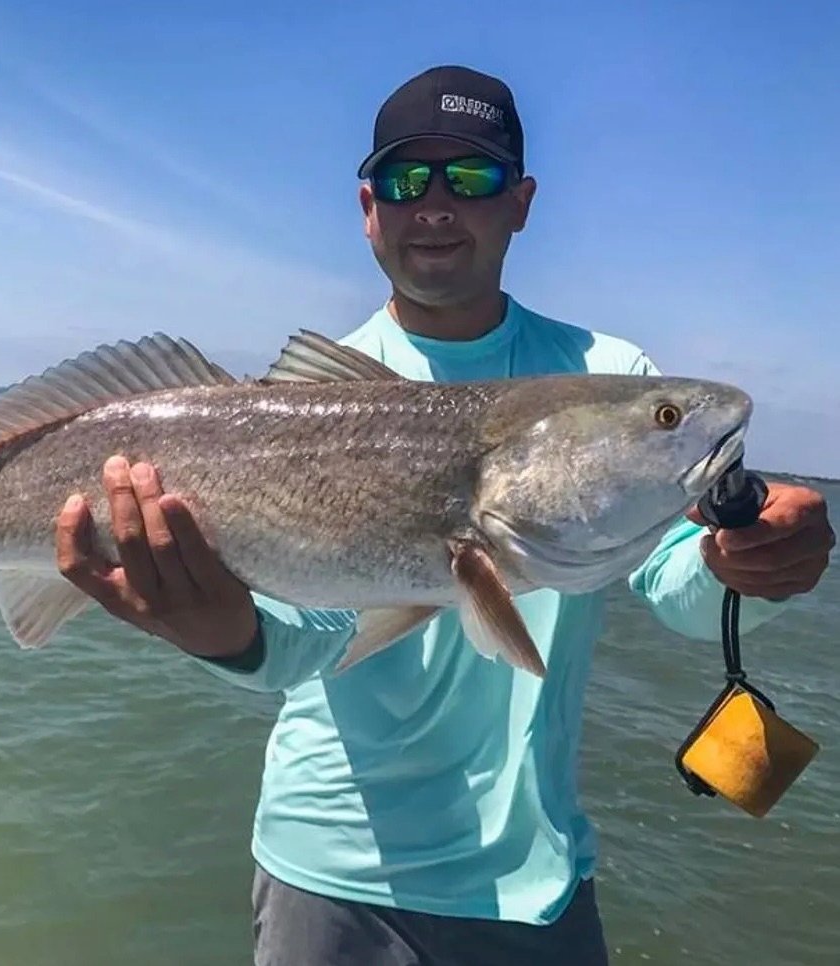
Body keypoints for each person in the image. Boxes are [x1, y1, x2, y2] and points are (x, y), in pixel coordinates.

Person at [53, 65, 835, 965]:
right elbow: (308, 637)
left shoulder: (602, 367)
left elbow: (675, 582)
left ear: (522, 202)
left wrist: (749, 561)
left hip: (534, 879)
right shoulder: (308, 398)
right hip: (330, 877)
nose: (432, 204)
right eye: (403, 180)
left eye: (469, 178)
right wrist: (228, 638)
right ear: (367, 208)